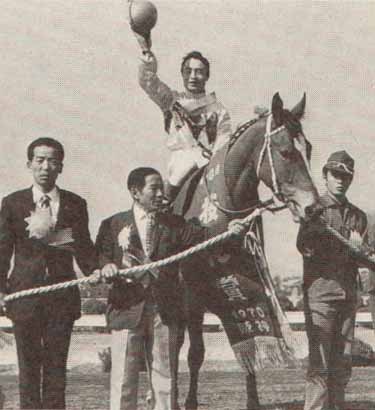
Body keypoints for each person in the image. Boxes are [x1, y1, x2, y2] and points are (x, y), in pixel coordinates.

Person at [96, 167, 246, 410]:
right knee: (123, 377)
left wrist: (230, 230)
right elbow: (100, 256)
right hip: (126, 309)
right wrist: (106, 266)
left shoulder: (174, 224)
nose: (160, 194)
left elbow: (205, 236)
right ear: (135, 192)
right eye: (153, 189)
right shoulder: (113, 224)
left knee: (165, 377)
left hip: (164, 311)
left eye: (161, 189)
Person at [0, 137, 97, 409]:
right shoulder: (13, 203)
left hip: (61, 299)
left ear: (61, 167)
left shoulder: (75, 204)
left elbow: (85, 247)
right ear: (29, 164)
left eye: (52, 161)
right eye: (40, 160)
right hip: (25, 298)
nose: (46, 166)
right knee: (28, 372)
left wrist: (97, 270)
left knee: (56, 371)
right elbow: (3, 250)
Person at [297, 150, 368, 410]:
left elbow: (368, 259)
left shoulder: (358, 216)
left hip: (348, 297)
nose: (340, 180)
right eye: (335, 175)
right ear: (325, 176)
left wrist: (361, 252)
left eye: (345, 176)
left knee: (342, 364)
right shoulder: (314, 213)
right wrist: (338, 244)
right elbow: (304, 247)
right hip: (321, 297)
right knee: (320, 364)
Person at [134, 29, 232, 202]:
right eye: (188, 71)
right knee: (184, 166)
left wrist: (214, 158)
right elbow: (148, 82)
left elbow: (224, 139)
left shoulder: (219, 110)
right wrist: (147, 56)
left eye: (199, 72)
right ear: (182, 74)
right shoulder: (172, 100)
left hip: (211, 162)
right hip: (181, 160)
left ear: (207, 76)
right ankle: (165, 206)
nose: (193, 76)